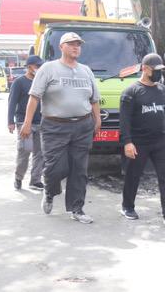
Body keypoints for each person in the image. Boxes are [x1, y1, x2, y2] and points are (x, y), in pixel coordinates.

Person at [20, 32, 101, 224]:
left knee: (79, 169)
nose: (76, 47)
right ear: (61, 47)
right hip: (55, 127)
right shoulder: (48, 69)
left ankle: (77, 209)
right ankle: (49, 191)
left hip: (82, 126)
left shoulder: (86, 71)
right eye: (71, 44)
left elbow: (94, 99)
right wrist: (27, 122)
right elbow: (34, 97)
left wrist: (97, 119)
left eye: (78, 45)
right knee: (55, 168)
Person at [120, 53, 165, 227]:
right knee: (133, 176)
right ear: (145, 69)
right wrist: (127, 142)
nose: (158, 74)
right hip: (138, 143)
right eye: (155, 70)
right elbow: (124, 121)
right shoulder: (131, 92)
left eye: (160, 70)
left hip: (160, 142)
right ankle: (127, 206)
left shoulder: (163, 90)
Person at [7, 55, 44, 191]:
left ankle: (35, 180)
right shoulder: (19, 82)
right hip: (24, 122)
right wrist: (10, 121)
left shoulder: (42, 82)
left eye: (41, 66)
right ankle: (19, 177)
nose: (39, 69)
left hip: (41, 122)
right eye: (37, 66)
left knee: (40, 153)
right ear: (29, 67)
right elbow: (12, 103)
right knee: (25, 150)